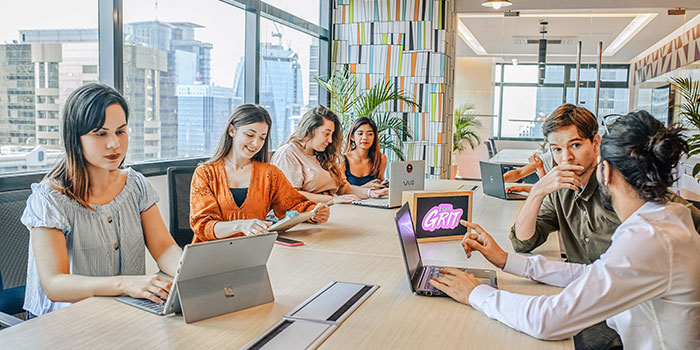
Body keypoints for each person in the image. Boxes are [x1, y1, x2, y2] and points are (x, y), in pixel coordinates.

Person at [430, 111, 700, 349]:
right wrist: (506, 260)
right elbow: (592, 272)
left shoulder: (648, 237)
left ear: (604, 170)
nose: (567, 158)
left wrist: (476, 293)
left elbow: (547, 320)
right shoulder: (666, 218)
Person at [21, 83, 182, 317]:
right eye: (100, 134)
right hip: (65, 321)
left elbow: (164, 248)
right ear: (75, 138)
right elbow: (55, 284)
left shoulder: (135, 185)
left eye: (120, 131)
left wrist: (186, 272)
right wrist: (125, 284)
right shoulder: (50, 198)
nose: (114, 144)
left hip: (124, 312)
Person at [189, 104, 330, 242]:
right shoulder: (205, 173)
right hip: (210, 255)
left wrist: (314, 213)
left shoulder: (270, 174)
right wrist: (240, 225)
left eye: (262, 138)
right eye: (250, 134)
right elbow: (203, 226)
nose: (256, 143)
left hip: (254, 251)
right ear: (231, 130)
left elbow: (294, 206)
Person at [271, 105, 388, 204]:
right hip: (307, 216)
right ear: (309, 130)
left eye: (331, 134)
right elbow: (291, 195)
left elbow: (344, 188)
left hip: (331, 210)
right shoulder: (288, 153)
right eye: (326, 134)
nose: (330, 140)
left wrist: (371, 193)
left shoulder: (321, 154)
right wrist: (332, 199)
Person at [342, 117, 387, 188]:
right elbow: (340, 192)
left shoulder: (381, 158)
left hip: (373, 199)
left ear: (374, 137)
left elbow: (379, 186)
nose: (365, 137)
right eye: (360, 133)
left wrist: (383, 185)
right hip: (351, 199)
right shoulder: (342, 160)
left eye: (370, 134)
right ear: (352, 137)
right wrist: (366, 187)